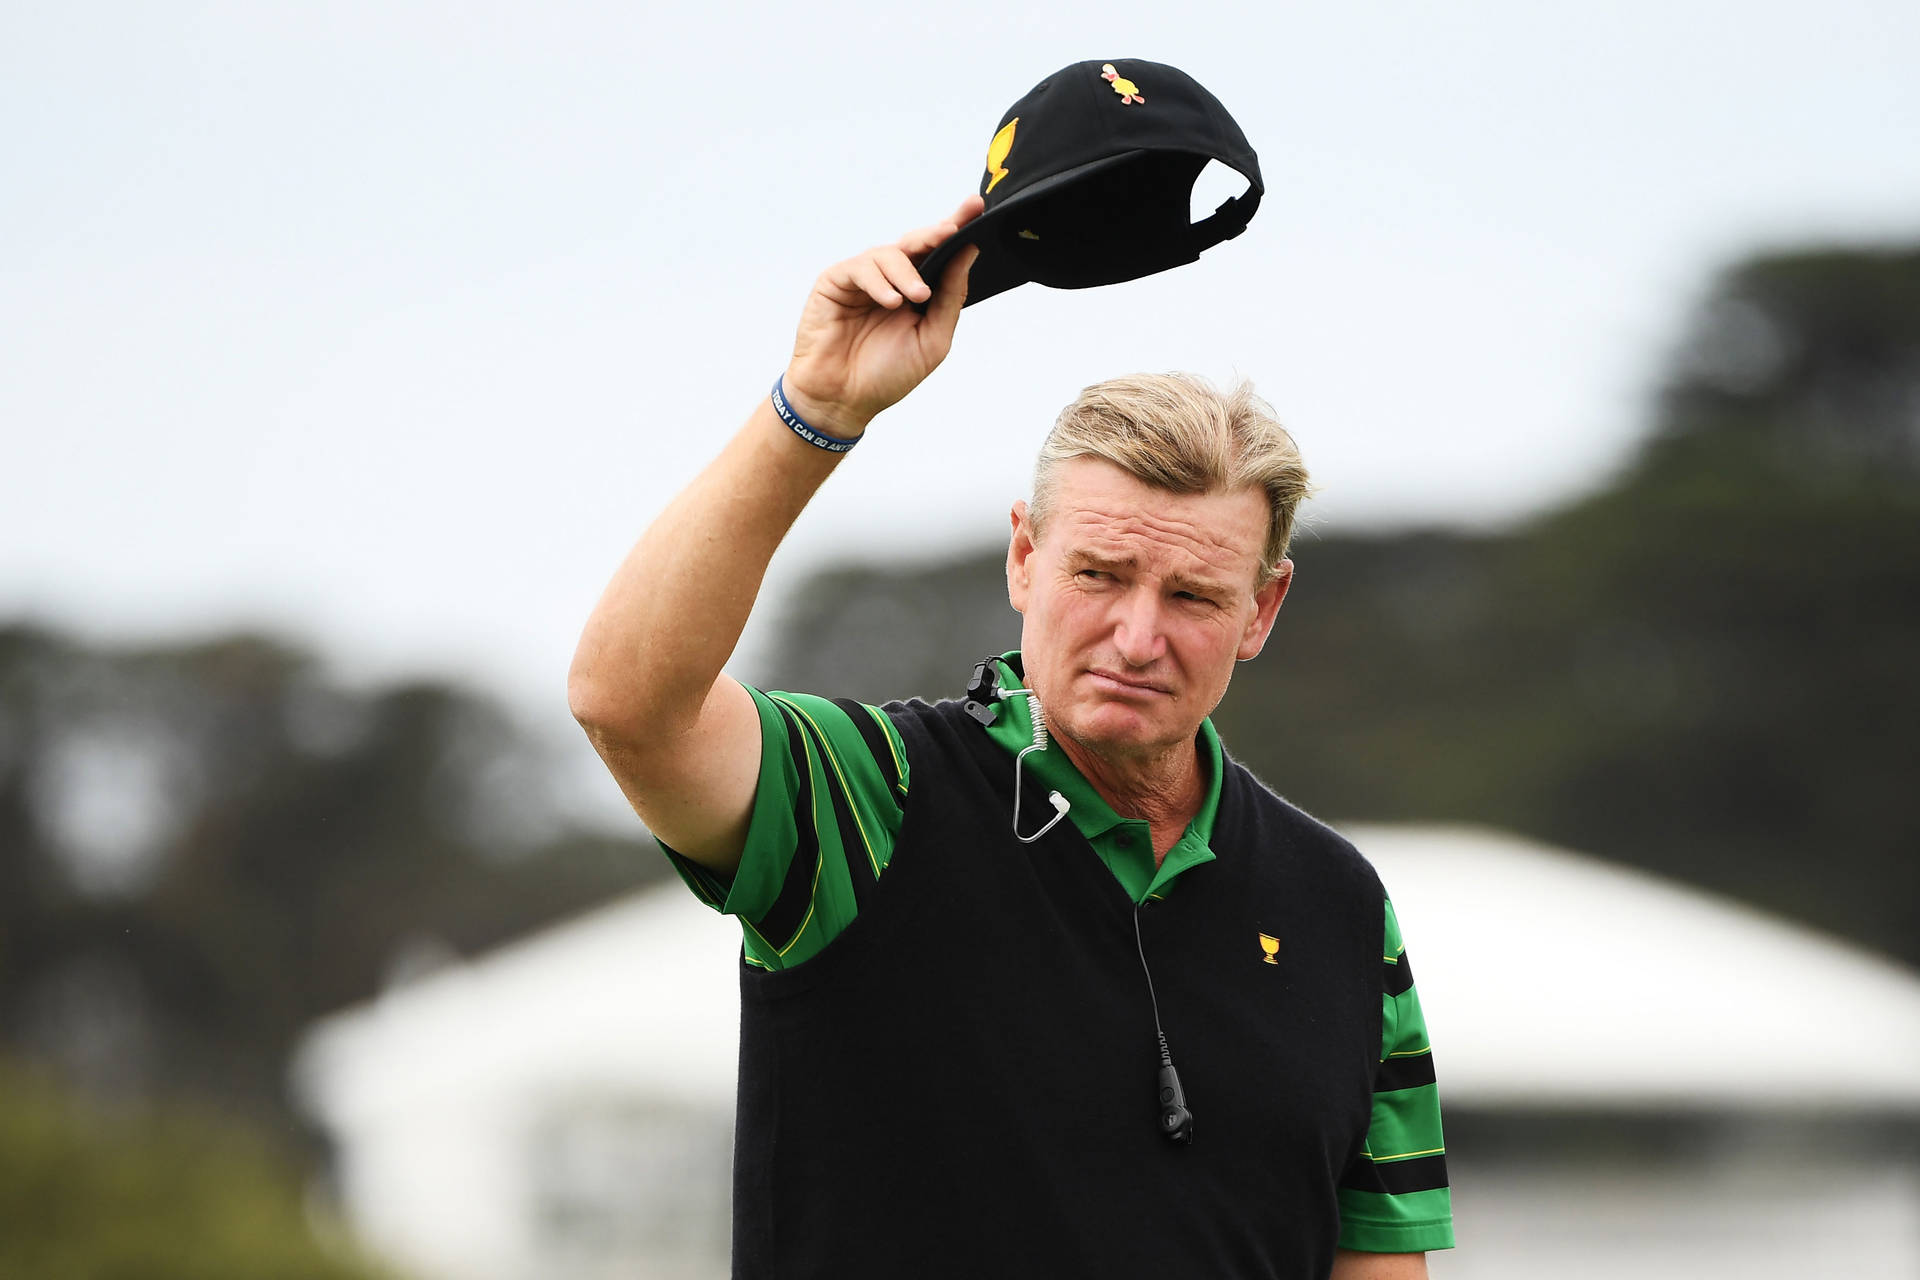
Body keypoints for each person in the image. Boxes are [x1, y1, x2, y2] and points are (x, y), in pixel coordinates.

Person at [568, 196, 1455, 1279]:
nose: (1138, 634)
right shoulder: (874, 798)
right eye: (1098, 574)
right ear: (1024, 559)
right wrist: (817, 406)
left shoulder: (1341, 905)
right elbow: (627, 702)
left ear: (1262, 611)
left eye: (1193, 595)